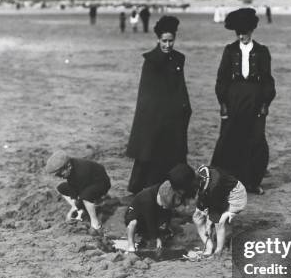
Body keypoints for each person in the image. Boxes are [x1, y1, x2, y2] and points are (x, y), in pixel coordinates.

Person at [211, 7, 276, 195]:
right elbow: (221, 79)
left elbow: (267, 80)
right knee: (229, 140)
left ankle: (253, 182)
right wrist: (223, 104)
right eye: (238, 33)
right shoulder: (230, 51)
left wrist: (265, 104)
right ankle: (224, 182)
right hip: (234, 100)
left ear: (251, 30)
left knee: (256, 141)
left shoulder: (262, 52)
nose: (241, 36)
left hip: (255, 101)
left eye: (244, 32)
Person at [126, 15, 192, 194]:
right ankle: (144, 189)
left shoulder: (179, 59)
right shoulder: (150, 61)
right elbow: (147, 94)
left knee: (174, 153)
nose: (168, 45)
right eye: (164, 41)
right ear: (158, 39)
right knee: (150, 154)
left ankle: (173, 186)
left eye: (171, 41)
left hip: (173, 116)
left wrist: (184, 108)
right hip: (154, 117)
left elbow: (180, 86)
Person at [124, 163, 194, 253]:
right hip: (137, 215)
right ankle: (130, 245)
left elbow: (166, 215)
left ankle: (148, 236)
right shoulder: (147, 200)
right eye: (164, 205)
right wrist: (156, 237)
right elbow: (150, 220)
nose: (165, 207)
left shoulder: (166, 194)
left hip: (155, 212)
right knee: (133, 223)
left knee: (164, 229)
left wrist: (162, 231)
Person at [185, 165, 247, 260]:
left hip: (236, 195)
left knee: (219, 223)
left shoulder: (213, 187)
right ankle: (209, 247)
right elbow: (204, 196)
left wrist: (209, 223)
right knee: (197, 217)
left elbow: (216, 208)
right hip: (219, 194)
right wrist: (203, 211)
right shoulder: (201, 175)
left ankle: (218, 251)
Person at [45, 150, 111, 231]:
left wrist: (77, 211)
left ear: (68, 166)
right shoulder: (70, 169)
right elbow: (72, 187)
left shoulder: (81, 171)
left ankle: (95, 224)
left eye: (61, 174)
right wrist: (74, 207)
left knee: (86, 196)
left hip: (101, 183)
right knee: (61, 187)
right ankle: (81, 208)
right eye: (58, 175)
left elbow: (80, 194)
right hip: (86, 182)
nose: (60, 177)